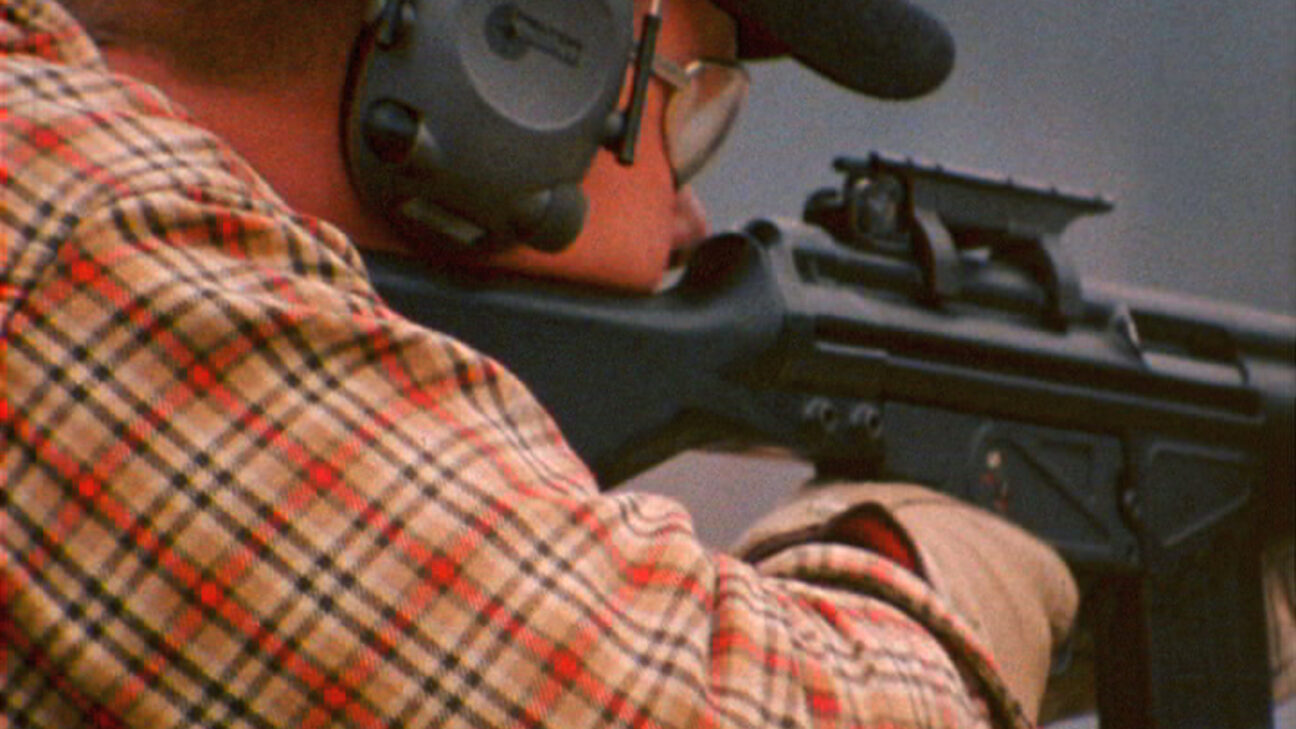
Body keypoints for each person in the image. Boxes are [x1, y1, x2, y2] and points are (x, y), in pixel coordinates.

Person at [1, 0, 1080, 726]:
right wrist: (932, 559)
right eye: (694, 104)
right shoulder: (79, 258)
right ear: (513, 50)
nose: (692, 220)